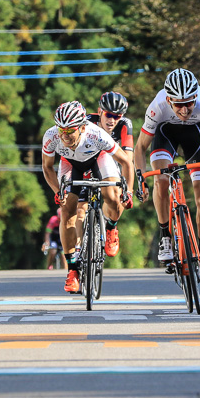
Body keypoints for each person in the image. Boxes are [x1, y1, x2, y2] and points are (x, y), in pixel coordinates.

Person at [134, 68, 200, 285]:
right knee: (161, 180)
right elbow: (140, 147)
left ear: (195, 98)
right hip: (166, 134)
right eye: (178, 104)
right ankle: (166, 237)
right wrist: (139, 177)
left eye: (189, 103)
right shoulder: (157, 107)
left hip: (195, 135)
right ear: (168, 99)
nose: (184, 110)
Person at [41, 101, 134, 293]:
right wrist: (57, 191)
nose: (64, 136)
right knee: (67, 211)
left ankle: (111, 228)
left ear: (82, 127)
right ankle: (73, 270)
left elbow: (126, 162)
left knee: (112, 196)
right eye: (61, 130)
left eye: (70, 131)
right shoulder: (51, 136)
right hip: (70, 164)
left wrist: (129, 191)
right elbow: (47, 167)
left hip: (98, 159)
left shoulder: (96, 134)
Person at [75, 91, 134, 257]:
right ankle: (78, 253)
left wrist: (127, 189)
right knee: (80, 210)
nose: (112, 120)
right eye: (109, 115)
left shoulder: (125, 124)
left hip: (111, 162)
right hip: (86, 161)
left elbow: (127, 158)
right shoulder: (86, 121)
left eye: (117, 116)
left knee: (116, 196)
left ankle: (111, 227)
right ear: (100, 111)